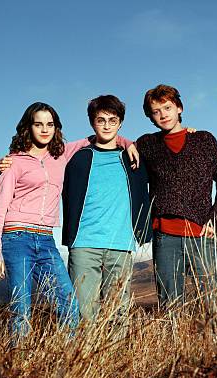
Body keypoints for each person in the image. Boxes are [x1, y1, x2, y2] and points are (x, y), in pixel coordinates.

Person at [0, 102, 137, 341]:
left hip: (46, 240)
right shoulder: (14, 162)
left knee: (69, 304)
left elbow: (99, 136)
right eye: (38, 124)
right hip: (16, 238)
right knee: (21, 307)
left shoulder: (61, 154)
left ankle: (70, 361)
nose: (45, 129)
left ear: (56, 127)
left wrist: (128, 143)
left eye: (50, 124)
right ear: (29, 127)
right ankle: (18, 366)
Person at [135, 84, 217, 305]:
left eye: (167, 108)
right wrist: (126, 143)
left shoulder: (204, 140)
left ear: (179, 107)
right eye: (156, 111)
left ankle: (213, 342)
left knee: (212, 305)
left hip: (202, 234)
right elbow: (118, 151)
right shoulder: (147, 144)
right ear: (150, 117)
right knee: (170, 305)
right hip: (164, 237)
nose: (163, 115)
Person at [62, 95, 151, 338]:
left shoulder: (133, 159)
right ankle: (85, 365)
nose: (107, 125)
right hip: (83, 243)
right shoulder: (78, 157)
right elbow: (43, 157)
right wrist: (10, 162)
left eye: (113, 120)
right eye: (101, 120)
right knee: (83, 310)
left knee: (117, 310)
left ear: (120, 123)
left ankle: (113, 364)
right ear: (92, 122)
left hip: (121, 244)